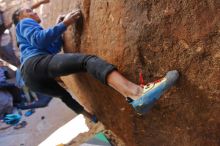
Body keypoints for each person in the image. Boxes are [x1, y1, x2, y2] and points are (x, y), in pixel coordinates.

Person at [11, 7, 179, 120]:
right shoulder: (24, 24)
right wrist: (65, 23)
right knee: (87, 61)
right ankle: (136, 93)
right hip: (34, 64)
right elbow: (40, 40)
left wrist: (59, 27)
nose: (33, 12)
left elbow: (52, 48)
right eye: (28, 11)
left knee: (64, 95)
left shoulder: (26, 35)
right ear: (20, 18)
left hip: (32, 78)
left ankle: (89, 116)